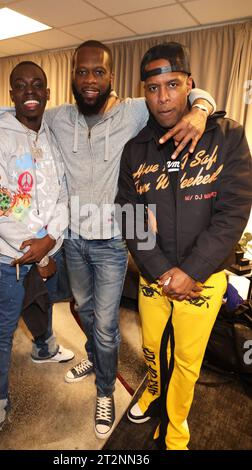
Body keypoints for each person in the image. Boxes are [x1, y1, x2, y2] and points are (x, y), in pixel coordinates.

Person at [0, 40, 216, 440]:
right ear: (70, 79)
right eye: (81, 72)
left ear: (110, 76)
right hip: (72, 241)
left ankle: (105, 389)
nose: (88, 80)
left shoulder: (135, 110)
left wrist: (202, 109)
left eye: (97, 72)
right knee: (83, 310)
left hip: (113, 241)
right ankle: (97, 360)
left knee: (105, 326)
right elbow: (17, 115)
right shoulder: (58, 117)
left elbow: (187, 95)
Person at [115, 42, 252, 450]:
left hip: (203, 280)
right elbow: (128, 214)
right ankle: (155, 392)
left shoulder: (226, 137)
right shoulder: (135, 149)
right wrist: (160, 271)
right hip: (153, 278)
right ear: (144, 91)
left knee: (189, 362)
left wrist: (191, 271)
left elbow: (233, 212)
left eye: (173, 85)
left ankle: (176, 433)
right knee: (153, 349)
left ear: (190, 84)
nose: (163, 98)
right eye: (153, 88)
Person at [0, 61, 74, 451]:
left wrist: (51, 240)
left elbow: (62, 194)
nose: (30, 91)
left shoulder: (51, 136)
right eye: (21, 85)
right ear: (11, 92)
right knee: (3, 330)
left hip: (49, 243)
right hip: (13, 255)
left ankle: (45, 347)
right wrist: (36, 248)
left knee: (45, 299)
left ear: (48, 92)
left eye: (38, 85)